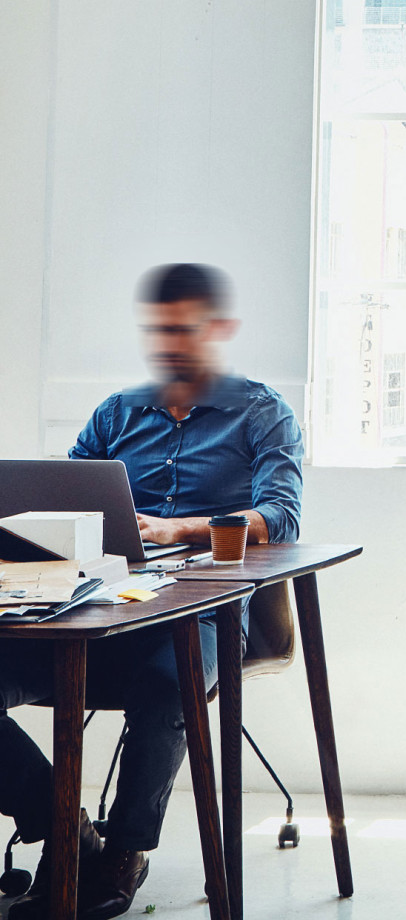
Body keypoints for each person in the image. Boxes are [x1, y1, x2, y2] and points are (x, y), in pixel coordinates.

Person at [0, 263, 303, 920]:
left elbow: (281, 514)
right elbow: (64, 505)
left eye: (184, 330)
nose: (169, 344)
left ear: (218, 330)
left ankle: (124, 852)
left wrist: (180, 528)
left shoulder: (261, 414)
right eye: (159, 330)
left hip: (203, 617)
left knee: (167, 684)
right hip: (101, 610)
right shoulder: (118, 413)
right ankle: (63, 826)